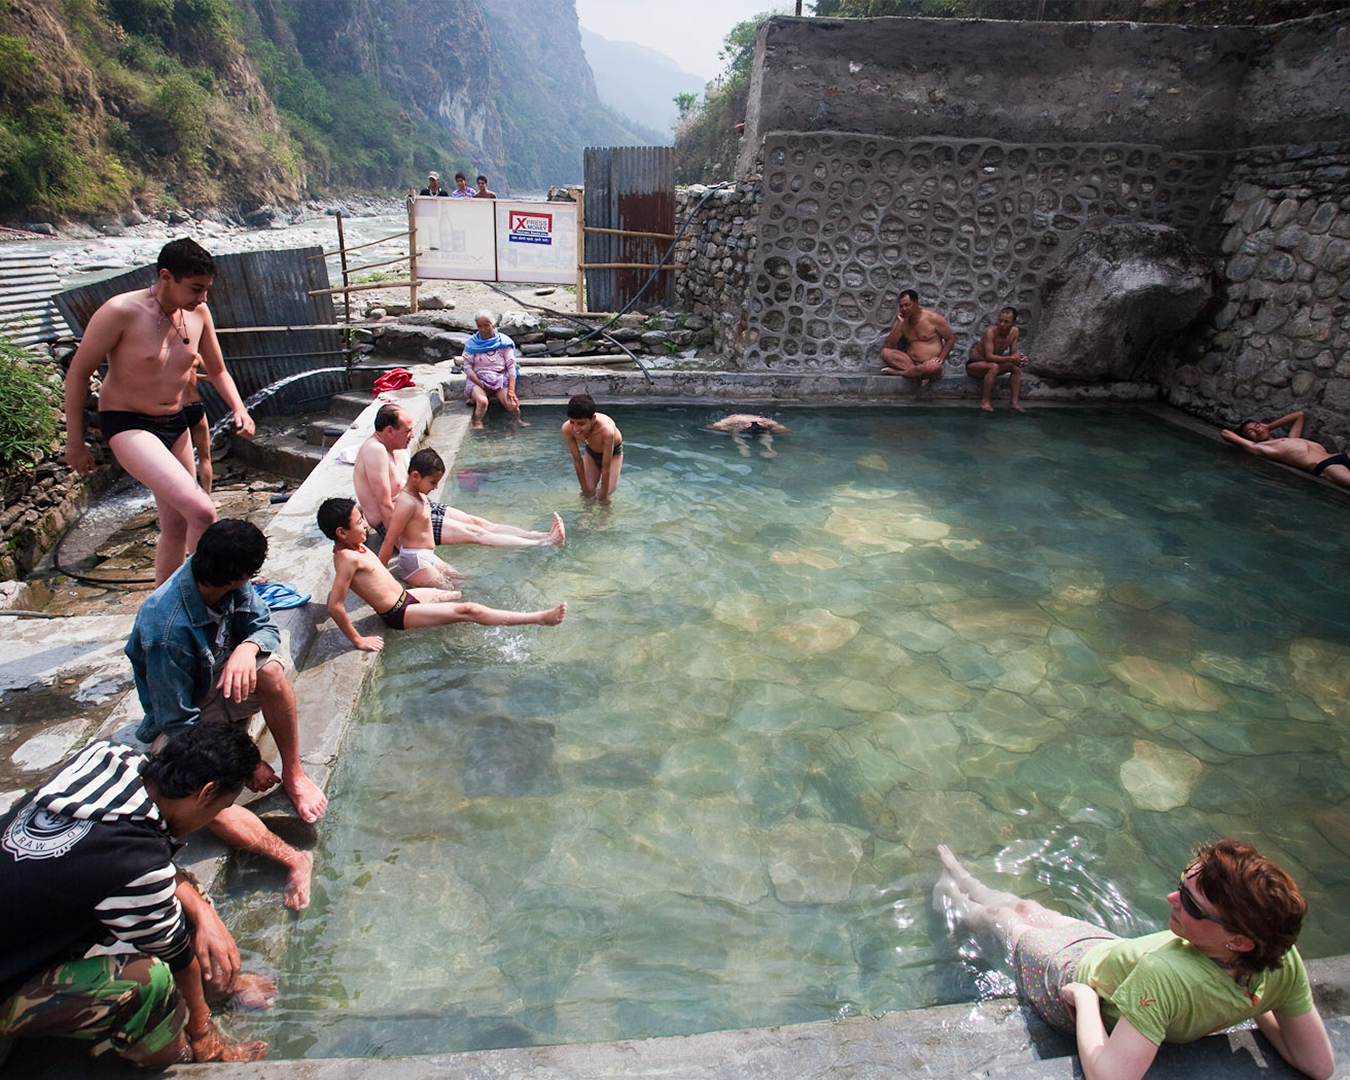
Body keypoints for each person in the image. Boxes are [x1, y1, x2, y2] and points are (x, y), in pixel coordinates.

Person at [933, 841, 1335, 1080]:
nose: (1172, 899)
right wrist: (1261, 1004)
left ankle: (949, 895)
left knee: (999, 918)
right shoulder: (1280, 962)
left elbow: (1110, 1075)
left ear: (1240, 941)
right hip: (1105, 952)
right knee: (1026, 906)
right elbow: (1319, 1064)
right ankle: (967, 881)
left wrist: (1087, 1001)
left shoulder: (1166, 979)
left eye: (1192, 904)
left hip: (1071, 977)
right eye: (1182, 886)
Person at [0, 723, 276, 1065]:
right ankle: (184, 1056)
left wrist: (206, 916)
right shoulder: (135, 864)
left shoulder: (107, 758)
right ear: (205, 793)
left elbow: (151, 873)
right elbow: (178, 961)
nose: (213, 819)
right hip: (8, 981)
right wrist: (202, 1031)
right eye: (218, 808)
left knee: (185, 893)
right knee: (149, 983)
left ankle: (220, 986)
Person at [126, 519, 325, 909]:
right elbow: (179, 724)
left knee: (270, 672)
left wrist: (247, 647)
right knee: (197, 798)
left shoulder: (230, 582)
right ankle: (293, 858)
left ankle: (294, 772)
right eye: (250, 576)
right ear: (237, 574)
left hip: (225, 688)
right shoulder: (165, 629)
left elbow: (265, 627)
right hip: (187, 718)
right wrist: (247, 761)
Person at [64, 238, 256, 585]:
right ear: (166, 276)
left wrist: (239, 408)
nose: (203, 298)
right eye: (196, 288)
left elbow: (218, 370)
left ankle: (163, 603)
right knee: (202, 510)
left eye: (207, 289)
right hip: (129, 423)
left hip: (175, 421)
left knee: (178, 523)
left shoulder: (198, 313)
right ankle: (204, 599)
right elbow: (78, 374)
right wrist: (75, 443)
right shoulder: (120, 312)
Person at [318, 497, 567, 653]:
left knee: (459, 593)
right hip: (399, 613)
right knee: (468, 610)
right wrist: (358, 640)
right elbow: (335, 606)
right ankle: (539, 618)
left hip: (408, 597)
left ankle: (493, 619)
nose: (365, 525)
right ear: (341, 532)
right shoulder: (346, 559)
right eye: (359, 522)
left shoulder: (355, 546)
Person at [353, 403, 563, 553]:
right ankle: (543, 544)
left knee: (477, 522)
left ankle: (539, 535)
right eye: (407, 431)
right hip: (404, 520)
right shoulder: (375, 452)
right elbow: (384, 505)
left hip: (418, 505)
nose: (412, 435)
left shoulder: (395, 447)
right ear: (390, 431)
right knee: (474, 533)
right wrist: (401, 544)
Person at [378, 447, 463, 589]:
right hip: (415, 562)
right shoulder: (406, 503)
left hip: (426, 555)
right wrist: (379, 575)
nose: (436, 487)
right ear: (415, 476)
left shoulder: (419, 494)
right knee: (451, 592)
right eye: (432, 482)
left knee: (460, 580)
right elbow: (389, 540)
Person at [1220, 410, 1350, 490]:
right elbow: (1225, 433)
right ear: (1249, 439)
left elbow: (1299, 415)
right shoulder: (1262, 448)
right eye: (1251, 431)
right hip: (1327, 466)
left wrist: (1269, 426)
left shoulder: (1291, 439)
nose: (1257, 430)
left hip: (1340, 456)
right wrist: (1246, 442)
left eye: (1257, 426)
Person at [880, 288, 955, 385]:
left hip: (929, 363)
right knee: (885, 352)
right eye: (901, 306)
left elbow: (950, 339)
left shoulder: (933, 318)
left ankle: (900, 373)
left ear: (916, 302)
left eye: (907, 305)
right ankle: (919, 374)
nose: (904, 309)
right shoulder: (902, 321)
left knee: (933, 367)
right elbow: (890, 345)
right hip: (909, 362)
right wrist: (900, 323)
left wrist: (941, 358)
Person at [462, 311, 524, 427]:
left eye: (486, 325)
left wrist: (511, 390)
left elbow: (511, 366)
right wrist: (480, 384)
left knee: (512, 404)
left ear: (493, 326)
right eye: (480, 326)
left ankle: (517, 421)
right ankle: (478, 422)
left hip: (499, 379)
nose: (483, 329)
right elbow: (468, 367)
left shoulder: (504, 342)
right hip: (478, 379)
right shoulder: (472, 344)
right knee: (482, 402)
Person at [966, 306, 1028, 412]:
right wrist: (1011, 358)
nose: (1002, 324)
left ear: (1014, 323)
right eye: (1000, 321)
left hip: (994, 363)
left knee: (1015, 368)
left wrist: (1019, 359)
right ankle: (985, 401)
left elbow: (1013, 354)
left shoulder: (1015, 332)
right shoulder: (990, 332)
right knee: (993, 367)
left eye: (1006, 322)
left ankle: (1014, 402)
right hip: (976, 365)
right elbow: (989, 356)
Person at [562, 393, 623, 499]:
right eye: (572, 422)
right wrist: (585, 490)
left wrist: (603, 498)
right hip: (591, 451)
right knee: (589, 491)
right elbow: (577, 461)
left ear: (593, 418)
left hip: (614, 454)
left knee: (607, 492)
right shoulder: (567, 428)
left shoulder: (606, 431)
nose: (576, 429)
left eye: (581, 424)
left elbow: (606, 469)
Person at [184, 354, 215, 497]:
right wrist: (194, 375)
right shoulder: (195, 356)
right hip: (196, 406)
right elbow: (213, 376)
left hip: (175, 409)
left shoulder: (167, 359)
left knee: (181, 458)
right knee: (205, 457)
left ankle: (188, 498)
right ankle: (207, 497)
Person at [708, 413, 788, 458]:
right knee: (737, 432)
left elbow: (712, 426)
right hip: (740, 424)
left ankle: (768, 448)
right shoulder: (736, 419)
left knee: (765, 433)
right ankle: (743, 446)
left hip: (758, 425)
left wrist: (729, 429)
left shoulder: (764, 421)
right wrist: (732, 428)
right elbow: (713, 426)